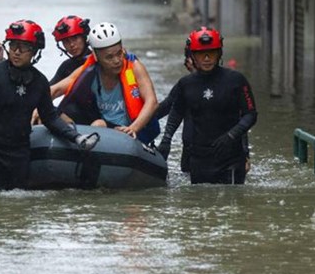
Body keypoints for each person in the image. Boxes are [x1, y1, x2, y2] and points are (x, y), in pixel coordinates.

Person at [0, 20, 99, 191]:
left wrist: (76, 137)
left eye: (23, 47)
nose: (16, 52)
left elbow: (50, 117)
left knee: (16, 205)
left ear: (34, 51)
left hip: (19, 153)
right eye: (13, 46)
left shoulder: (39, 82)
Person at [159, 27, 257, 184]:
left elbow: (250, 114)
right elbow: (174, 112)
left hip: (230, 158)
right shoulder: (185, 84)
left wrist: (231, 136)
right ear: (192, 56)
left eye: (211, 53)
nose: (206, 58)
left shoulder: (236, 80)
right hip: (199, 160)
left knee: (231, 205)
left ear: (219, 54)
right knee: (200, 204)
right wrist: (166, 140)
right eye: (201, 54)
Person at [52, 22, 159, 145]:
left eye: (119, 53)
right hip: (106, 128)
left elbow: (152, 102)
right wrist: (39, 106)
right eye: (109, 57)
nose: (117, 60)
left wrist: (133, 128)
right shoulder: (89, 70)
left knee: (98, 125)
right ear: (96, 56)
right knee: (57, 114)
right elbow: (57, 89)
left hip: (133, 129)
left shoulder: (134, 67)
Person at [49, 15, 91, 85]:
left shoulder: (99, 61)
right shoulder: (66, 67)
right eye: (66, 41)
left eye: (75, 38)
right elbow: (49, 90)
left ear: (84, 37)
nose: (71, 44)